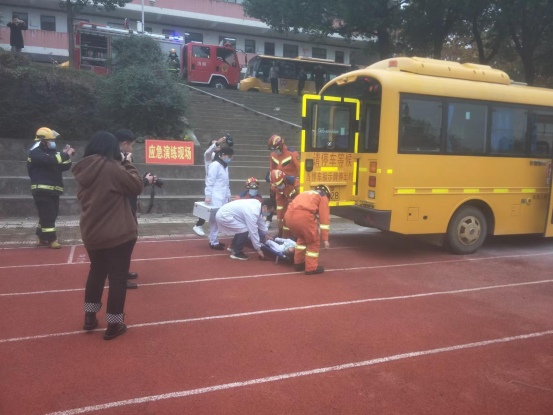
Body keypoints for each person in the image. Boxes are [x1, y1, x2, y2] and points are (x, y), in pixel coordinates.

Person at [72, 131, 144, 340]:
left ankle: (89, 317)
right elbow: (136, 186)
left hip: (92, 232)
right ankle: (114, 324)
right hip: (118, 232)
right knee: (118, 278)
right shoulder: (111, 167)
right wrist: (128, 162)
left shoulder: (84, 168)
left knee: (96, 272)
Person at [115, 129, 155, 290]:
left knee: (127, 244)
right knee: (122, 245)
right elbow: (127, 184)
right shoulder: (116, 161)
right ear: (124, 144)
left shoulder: (119, 159)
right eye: (131, 145)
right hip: (121, 210)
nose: (131, 149)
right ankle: (118, 277)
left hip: (127, 208)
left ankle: (122, 273)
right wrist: (144, 181)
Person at [27, 127, 75, 249]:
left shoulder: (52, 153)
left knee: (49, 215)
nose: (52, 142)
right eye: (50, 140)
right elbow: (50, 161)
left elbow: (64, 166)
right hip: (42, 191)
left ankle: (41, 237)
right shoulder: (35, 152)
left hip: (53, 191)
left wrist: (67, 155)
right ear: (43, 141)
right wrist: (64, 154)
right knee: (48, 215)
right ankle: (52, 239)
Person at [284, 185, 331, 275]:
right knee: (313, 241)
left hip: (289, 216)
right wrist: (325, 239)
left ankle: (298, 263)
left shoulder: (306, 193)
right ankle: (311, 268)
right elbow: (324, 219)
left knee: (302, 238)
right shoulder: (323, 196)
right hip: (303, 217)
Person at [193, 135, 233, 236]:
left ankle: (202, 227)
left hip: (220, 187)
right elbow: (208, 152)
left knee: (214, 211)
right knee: (210, 209)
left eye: (219, 145)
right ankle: (199, 226)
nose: (218, 146)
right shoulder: (209, 157)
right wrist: (217, 142)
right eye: (215, 145)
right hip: (212, 186)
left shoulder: (222, 160)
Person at [205, 145, 234, 250]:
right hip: (215, 196)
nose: (230, 159)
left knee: (219, 219)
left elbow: (226, 183)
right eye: (229, 157)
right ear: (223, 155)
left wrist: (229, 195)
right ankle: (213, 242)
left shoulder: (225, 166)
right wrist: (208, 196)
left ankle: (215, 239)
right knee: (215, 220)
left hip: (223, 195)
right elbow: (210, 181)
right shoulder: (215, 165)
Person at [269, 169, 298, 238]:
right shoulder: (278, 189)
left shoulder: (296, 183)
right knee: (285, 221)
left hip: (298, 205)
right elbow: (280, 205)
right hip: (288, 204)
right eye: (276, 186)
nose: (279, 186)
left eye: (280, 184)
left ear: (284, 179)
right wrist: (279, 221)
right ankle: (285, 237)